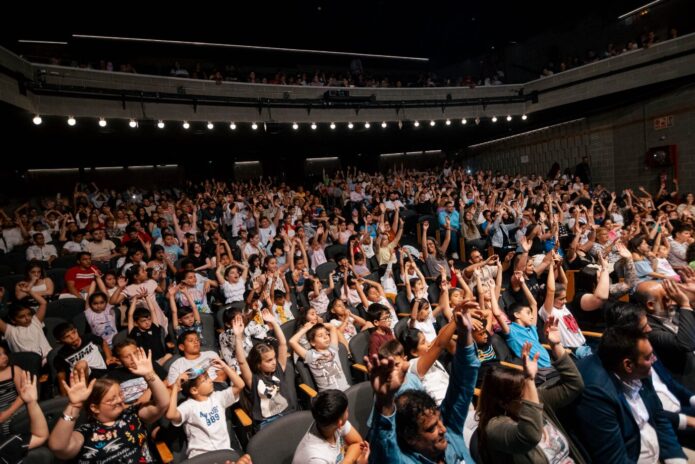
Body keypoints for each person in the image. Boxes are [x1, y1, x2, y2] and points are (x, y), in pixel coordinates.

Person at [367, 303, 480, 464]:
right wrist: (384, 402)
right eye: (431, 428)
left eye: (439, 422)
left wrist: (465, 334)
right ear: (411, 438)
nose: (443, 430)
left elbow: (462, 383)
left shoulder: (449, 432)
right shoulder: (406, 461)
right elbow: (384, 449)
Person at [476, 316, 587, 463]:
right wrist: (529, 380)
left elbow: (575, 385)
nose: (529, 394)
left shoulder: (533, 397)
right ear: (504, 403)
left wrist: (556, 346)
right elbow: (530, 435)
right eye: (521, 393)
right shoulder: (494, 426)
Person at [575, 326, 688, 463]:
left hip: (659, 452)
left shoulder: (640, 368)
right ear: (628, 365)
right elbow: (614, 460)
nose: (654, 360)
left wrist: (675, 458)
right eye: (648, 357)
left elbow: (658, 417)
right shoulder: (597, 393)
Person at [48, 347, 169, 463]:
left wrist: (149, 374)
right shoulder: (86, 432)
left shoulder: (132, 414)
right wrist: (74, 405)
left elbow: (163, 403)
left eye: (120, 395)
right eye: (112, 399)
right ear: (94, 407)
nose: (119, 401)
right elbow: (58, 447)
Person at [167, 358, 245, 459]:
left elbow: (240, 385)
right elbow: (171, 414)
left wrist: (225, 367)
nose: (210, 381)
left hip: (224, 452)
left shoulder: (217, 397)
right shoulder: (189, 406)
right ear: (194, 390)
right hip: (201, 456)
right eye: (205, 380)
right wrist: (175, 388)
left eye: (208, 377)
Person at [234, 312, 296, 429]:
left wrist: (273, 322)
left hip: (288, 414)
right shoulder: (254, 380)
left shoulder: (278, 370)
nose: (274, 362)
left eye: (274, 358)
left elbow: (282, 344)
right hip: (268, 422)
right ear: (258, 364)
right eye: (269, 360)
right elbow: (242, 361)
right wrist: (238, 337)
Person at [292, 389, 369, 464]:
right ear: (339, 423)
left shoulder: (329, 421)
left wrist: (346, 461)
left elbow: (358, 444)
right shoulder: (316, 459)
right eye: (347, 411)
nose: (348, 411)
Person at [0, 370, 49, 462]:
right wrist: (31, 402)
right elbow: (40, 436)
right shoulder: (4, 447)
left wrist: (30, 402)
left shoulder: (5, 445)